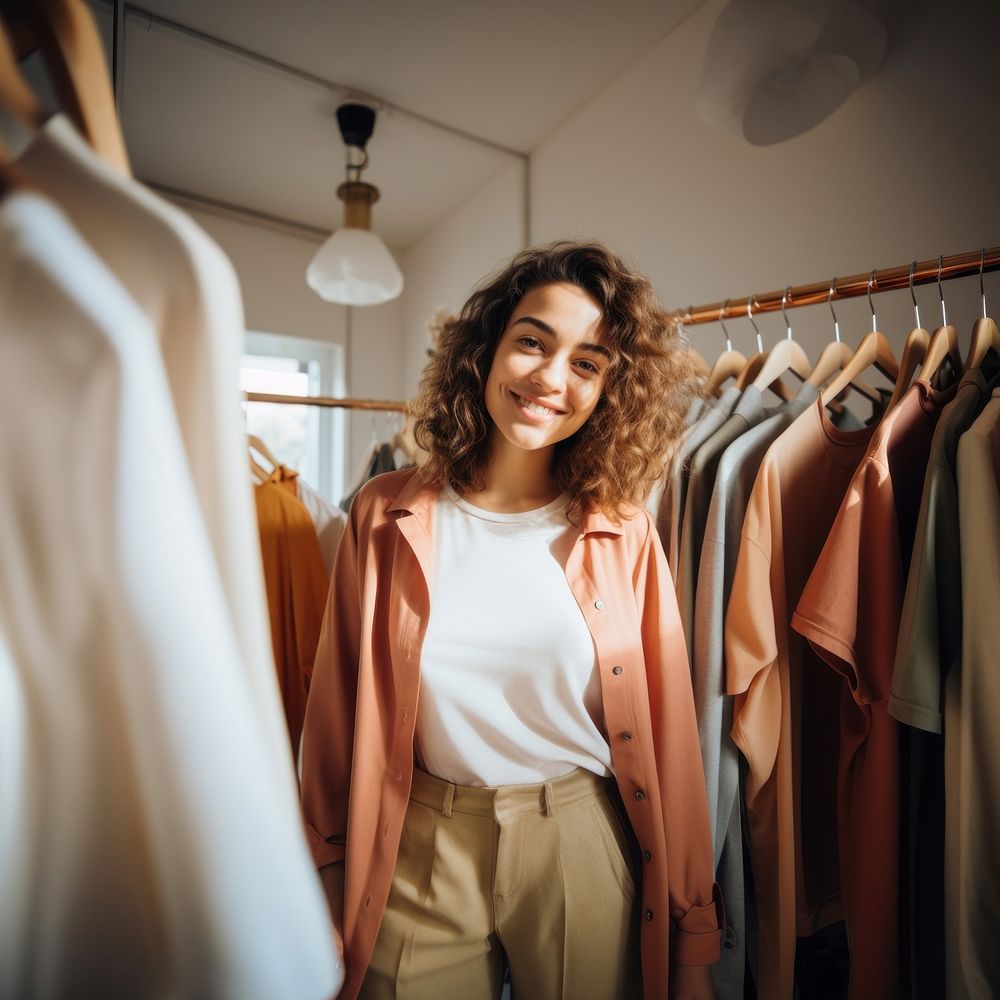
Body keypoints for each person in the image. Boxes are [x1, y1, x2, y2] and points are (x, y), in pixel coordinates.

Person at [300, 242, 723, 1000]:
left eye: (587, 363)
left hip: (577, 841)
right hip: (418, 842)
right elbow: (333, 712)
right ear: (486, 347)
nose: (550, 379)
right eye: (533, 340)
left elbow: (671, 736)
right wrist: (327, 874)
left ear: (608, 391)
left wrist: (694, 938)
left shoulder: (623, 530)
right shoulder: (383, 513)